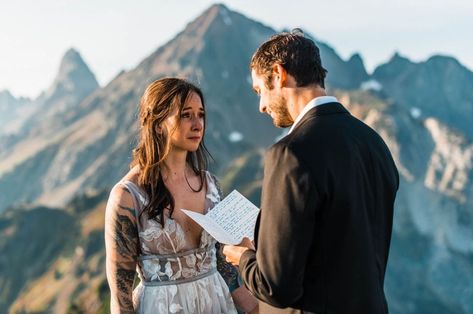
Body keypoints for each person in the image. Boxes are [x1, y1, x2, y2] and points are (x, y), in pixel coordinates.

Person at [223, 30, 399, 313]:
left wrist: (244, 257)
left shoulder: (291, 153)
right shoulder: (373, 143)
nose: (261, 106)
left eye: (260, 91)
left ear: (279, 74)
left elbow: (277, 287)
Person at [104, 78, 258, 313]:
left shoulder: (211, 185)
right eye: (186, 115)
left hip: (216, 304)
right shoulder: (127, 196)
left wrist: (254, 308)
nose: (198, 124)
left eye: (201, 114)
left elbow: (222, 264)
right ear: (157, 123)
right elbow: (120, 293)